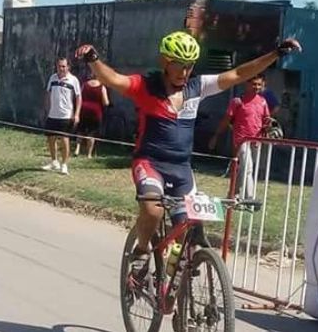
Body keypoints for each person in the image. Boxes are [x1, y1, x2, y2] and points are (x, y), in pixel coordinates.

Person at [75, 31, 302, 286]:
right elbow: (113, 79)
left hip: (181, 169)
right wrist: (93, 58)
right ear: (165, 62)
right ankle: (140, 253)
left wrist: (276, 53)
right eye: (180, 65)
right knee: (153, 209)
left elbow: (239, 74)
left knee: (186, 228)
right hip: (150, 163)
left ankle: (171, 283)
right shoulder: (146, 87)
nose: (185, 71)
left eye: (190, 65)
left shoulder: (197, 87)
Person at [208, 73, 271, 155]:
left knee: (250, 166)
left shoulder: (263, 102)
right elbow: (226, 120)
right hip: (241, 140)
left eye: (259, 85)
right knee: (246, 166)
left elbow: (267, 119)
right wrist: (216, 136)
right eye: (254, 84)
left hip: (256, 141)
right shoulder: (237, 102)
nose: (257, 87)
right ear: (246, 84)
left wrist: (268, 130)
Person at [42, 57, 81, 175]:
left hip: (66, 115)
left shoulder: (73, 80)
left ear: (68, 67)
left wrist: (77, 114)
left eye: (64, 66)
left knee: (64, 139)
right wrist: (46, 109)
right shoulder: (52, 78)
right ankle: (54, 162)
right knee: (51, 138)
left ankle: (64, 164)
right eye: (59, 66)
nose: (61, 69)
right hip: (53, 114)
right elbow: (48, 93)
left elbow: (79, 97)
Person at [74, 71, 109, 159]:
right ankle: (89, 154)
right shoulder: (102, 87)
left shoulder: (84, 85)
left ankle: (77, 148)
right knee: (92, 133)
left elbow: (79, 97)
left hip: (84, 110)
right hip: (95, 112)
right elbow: (105, 102)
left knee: (80, 131)